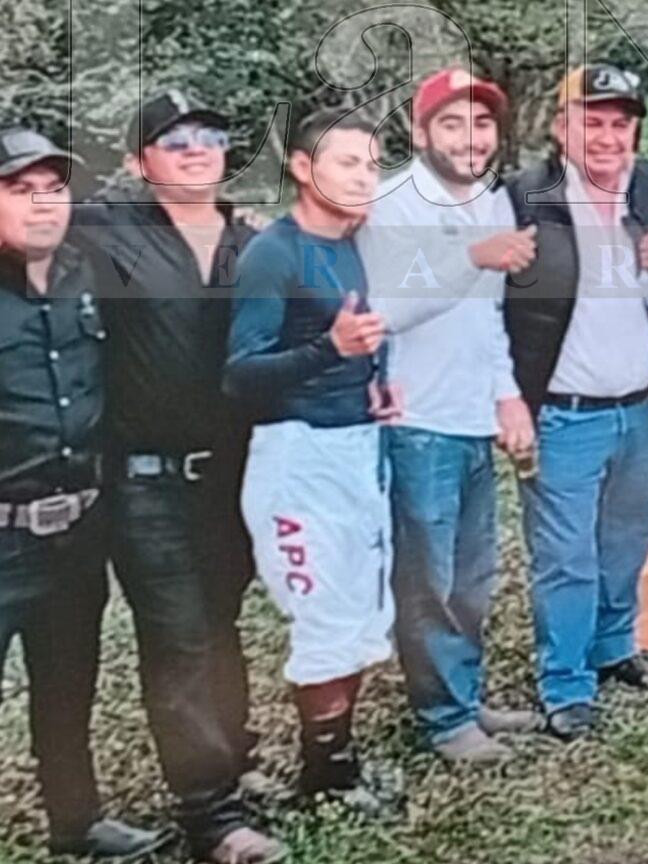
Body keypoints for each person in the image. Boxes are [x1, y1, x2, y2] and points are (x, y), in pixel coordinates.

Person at [69, 93, 283, 864]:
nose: (197, 149)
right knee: (180, 638)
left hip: (233, 472)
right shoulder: (100, 229)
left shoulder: (252, 241)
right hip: (143, 481)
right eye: (173, 139)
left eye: (211, 136)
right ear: (138, 161)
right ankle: (211, 820)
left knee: (222, 623)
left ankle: (233, 759)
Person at [354, 69, 541, 766]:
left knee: (472, 574)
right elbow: (383, 310)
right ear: (420, 131)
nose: (471, 139)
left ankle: (463, 695)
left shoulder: (492, 205)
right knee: (426, 577)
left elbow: (485, 317)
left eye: (483, 124)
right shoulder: (391, 204)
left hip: (469, 414)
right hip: (416, 420)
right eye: (454, 124)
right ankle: (441, 718)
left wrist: (507, 393)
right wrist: (468, 258)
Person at [503, 64, 648, 741]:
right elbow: (492, 312)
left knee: (626, 541)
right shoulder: (524, 198)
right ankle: (565, 685)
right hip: (563, 414)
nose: (609, 136)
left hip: (637, 409)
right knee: (565, 557)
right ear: (561, 129)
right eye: (593, 120)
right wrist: (510, 401)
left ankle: (615, 650)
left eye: (622, 123)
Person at [0, 126, 171, 861]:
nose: (44, 205)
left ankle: (78, 823)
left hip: (75, 532)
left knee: (67, 688)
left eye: (54, 189)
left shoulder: (88, 272)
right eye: (21, 190)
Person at [224, 110, 398, 814]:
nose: (362, 176)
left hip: (357, 446)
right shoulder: (276, 253)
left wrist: (373, 379)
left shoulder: (353, 243)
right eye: (345, 162)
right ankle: (321, 778)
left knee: (359, 611)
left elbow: (352, 337)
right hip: (296, 458)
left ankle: (339, 763)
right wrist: (333, 352)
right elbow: (239, 374)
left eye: (371, 164)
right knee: (323, 617)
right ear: (302, 168)